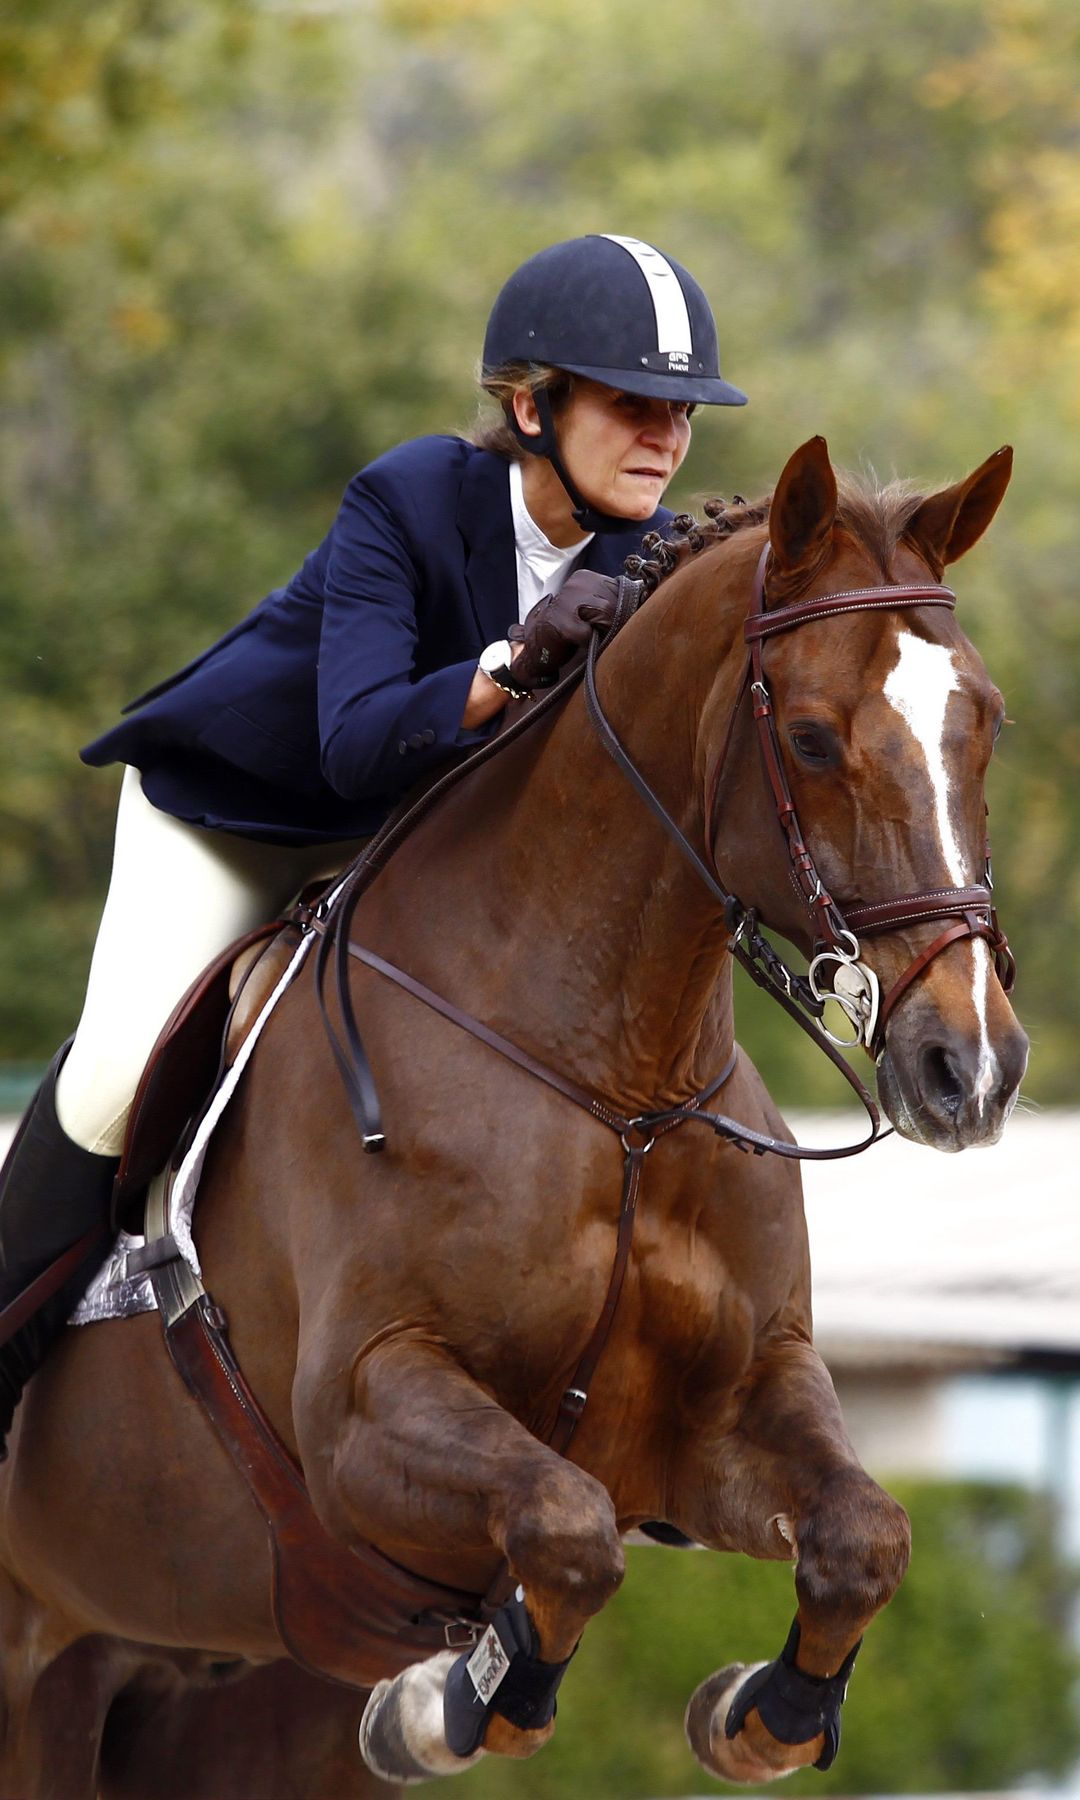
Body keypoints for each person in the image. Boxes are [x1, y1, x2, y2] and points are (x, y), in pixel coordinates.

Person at [0, 232, 747, 1451]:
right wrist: (511, 663)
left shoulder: (646, 561)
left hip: (400, 853)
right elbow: (352, 744)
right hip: (240, 816)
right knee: (118, 1076)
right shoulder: (408, 497)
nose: (667, 434)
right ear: (532, 405)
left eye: (683, 412)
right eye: (635, 404)